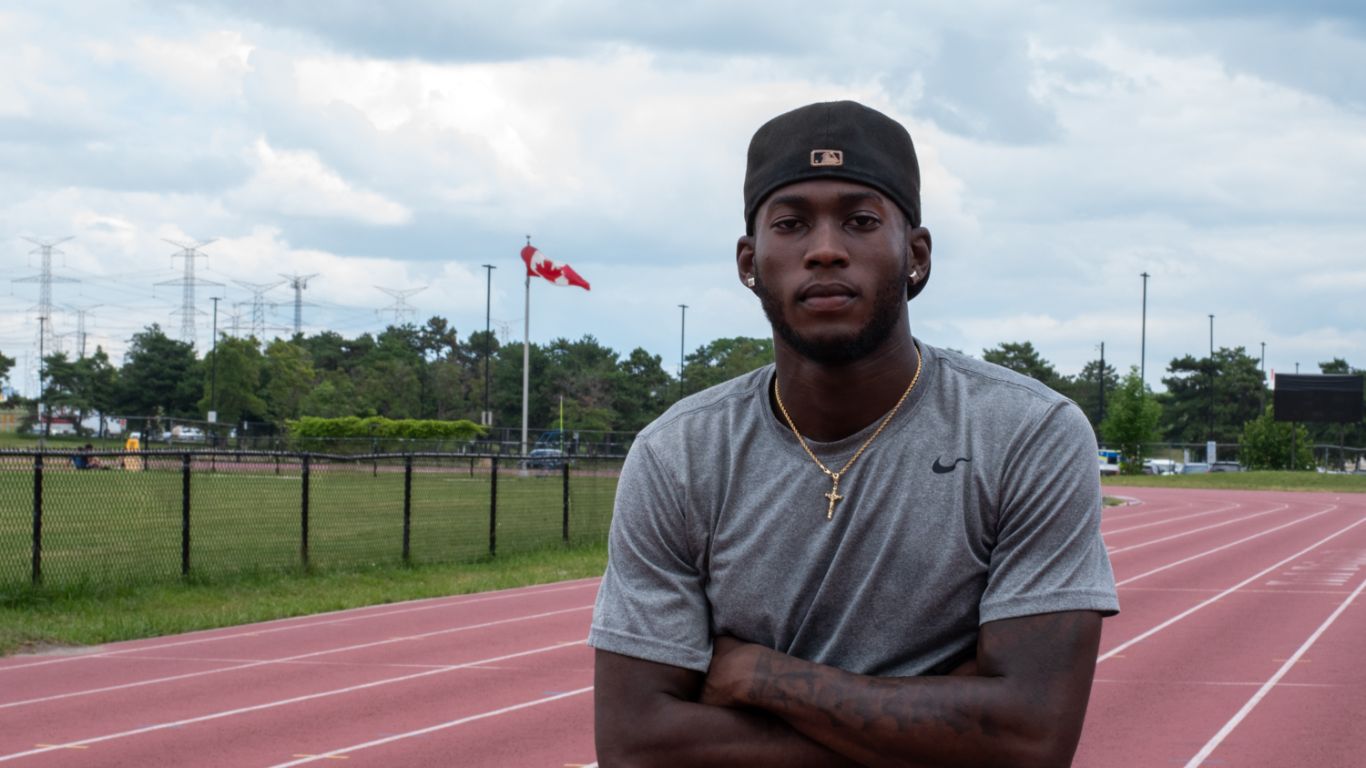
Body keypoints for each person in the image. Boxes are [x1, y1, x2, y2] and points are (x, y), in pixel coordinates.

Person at [589, 100, 1120, 766]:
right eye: (791, 224)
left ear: (915, 255)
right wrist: (936, 730)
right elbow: (637, 746)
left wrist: (760, 678)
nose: (826, 249)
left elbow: (1029, 740)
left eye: (861, 220)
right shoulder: (680, 455)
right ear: (749, 261)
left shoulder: (1025, 434)